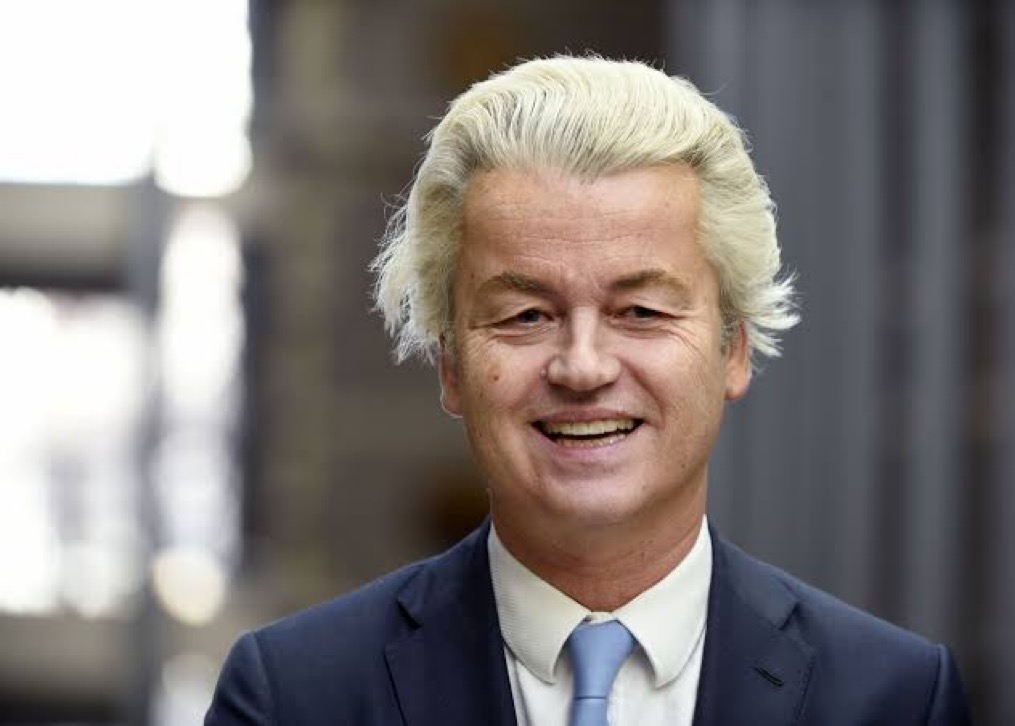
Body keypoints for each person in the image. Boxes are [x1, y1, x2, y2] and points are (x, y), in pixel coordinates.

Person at [205, 56, 972, 725]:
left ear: (733, 350)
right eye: (526, 315)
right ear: (450, 365)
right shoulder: (294, 696)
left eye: (641, 312)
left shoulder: (895, 699)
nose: (582, 367)